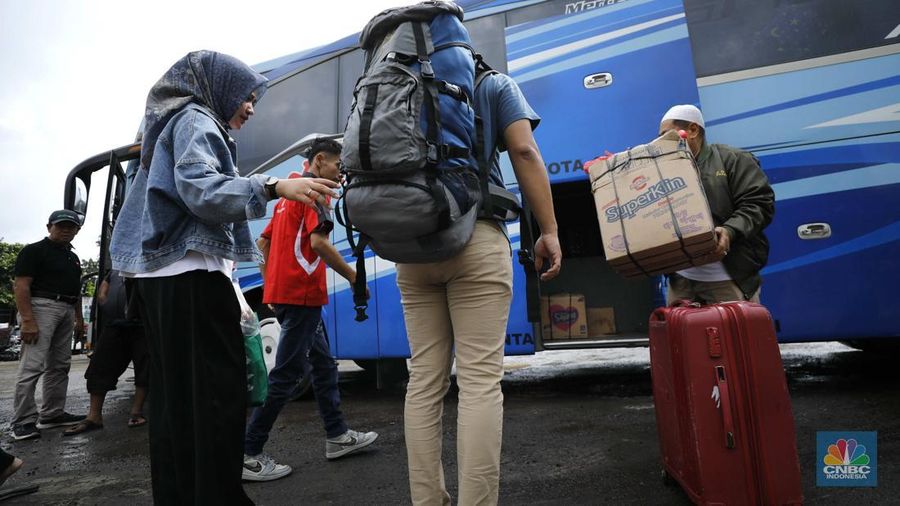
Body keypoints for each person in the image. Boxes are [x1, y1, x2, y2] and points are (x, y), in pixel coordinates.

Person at [108, 50, 339, 505]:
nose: (251, 107)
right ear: (219, 88)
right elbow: (201, 190)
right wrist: (274, 186)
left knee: (178, 404)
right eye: (247, 96)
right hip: (192, 277)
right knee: (217, 399)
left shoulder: (175, 120)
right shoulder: (196, 118)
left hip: (167, 279)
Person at [395, 67, 562, 504]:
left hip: (413, 251)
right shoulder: (492, 84)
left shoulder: (397, 87)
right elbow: (524, 151)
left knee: (424, 381)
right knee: (479, 382)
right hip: (476, 238)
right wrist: (549, 230)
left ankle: (428, 500)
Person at [243, 138, 378, 482]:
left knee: (321, 364)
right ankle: (249, 452)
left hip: (288, 294)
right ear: (319, 161)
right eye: (337, 166)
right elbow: (319, 243)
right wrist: (354, 278)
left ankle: (337, 436)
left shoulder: (288, 193)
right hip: (302, 294)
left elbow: (263, 242)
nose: (341, 173)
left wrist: (271, 283)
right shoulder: (318, 193)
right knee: (287, 375)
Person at [658, 104, 775, 304]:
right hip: (682, 283)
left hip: (728, 281)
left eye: (667, 134)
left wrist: (729, 231)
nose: (661, 142)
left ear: (693, 130)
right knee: (683, 335)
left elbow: (759, 204)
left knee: (735, 335)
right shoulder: (663, 169)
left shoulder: (733, 160)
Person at [11, 209, 87, 441]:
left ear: (77, 230)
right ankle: (22, 421)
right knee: (32, 366)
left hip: (66, 308)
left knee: (60, 365)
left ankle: (52, 413)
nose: (66, 230)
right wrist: (27, 320)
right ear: (49, 227)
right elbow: (21, 286)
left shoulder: (72, 257)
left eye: (71, 227)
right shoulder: (34, 251)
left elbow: (75, 290)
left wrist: (79, 318)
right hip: (41, 306)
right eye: (61, 225)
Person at [64, 271, 149, 435]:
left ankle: (136, 413)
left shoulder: (150, 262)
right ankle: (94, 416)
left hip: (142, 325)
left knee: (145, 368)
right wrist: (104, 301)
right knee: (99, 366)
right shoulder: (114, 271)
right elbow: (104, 288)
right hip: (116, 324)